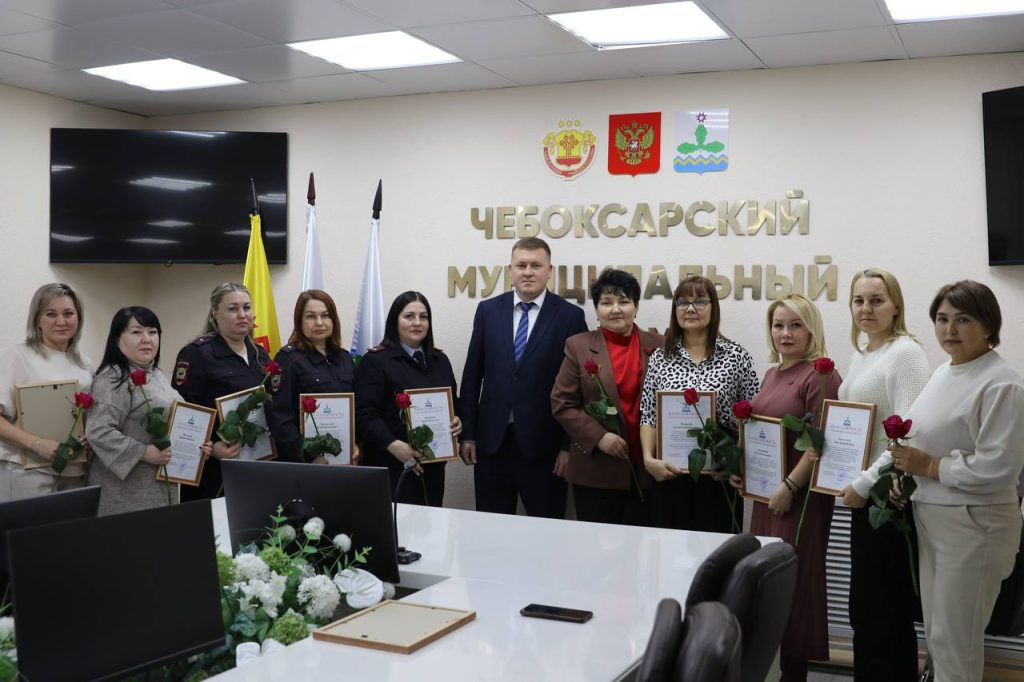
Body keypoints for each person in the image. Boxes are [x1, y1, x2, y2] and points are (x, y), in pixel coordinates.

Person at [891, 280, 1024, 682]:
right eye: (942, 318)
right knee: (939, 637)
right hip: (934, 518)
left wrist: (930, 467)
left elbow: (999, 466)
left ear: (988, 326)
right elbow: (925, 440)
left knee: (956, 644)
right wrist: (905, 475)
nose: (950, 329)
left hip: (975, 526)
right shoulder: (944, 372)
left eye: (963, 319)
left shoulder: (1002, 383)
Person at [739, 293, 841, 681]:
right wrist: (743, 472)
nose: (785, 333)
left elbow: (821, 442)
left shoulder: (821, 375)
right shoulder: (771, 374)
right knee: (768, 583)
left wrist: (789, 486)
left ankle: (794, 674)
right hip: (768, 496)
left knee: (794, 585)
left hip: (799, 498)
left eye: (796, 325)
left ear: (811, 329)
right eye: (778, 325)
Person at [835, 269, 929, 682]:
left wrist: (863, 482)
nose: (866, 309)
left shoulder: (905, 353)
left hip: (888, 498)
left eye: (876, 300)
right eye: (859, 300)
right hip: (865, 497)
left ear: (896, 306)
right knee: (866, 608)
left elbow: (909, 432)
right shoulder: (862, 355)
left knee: (885, 610)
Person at [460, 237, 587, 518]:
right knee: (492, 530)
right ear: (510, 270)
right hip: (492, 445)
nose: (528, 272)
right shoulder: (488, 311)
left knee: (546, 531)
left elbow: (578, 389)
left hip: (545, 449)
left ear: (549, 270)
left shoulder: (570, 316)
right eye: (521, 265)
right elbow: (472, 378)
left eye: (536, 265)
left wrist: (568, 448)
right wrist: (468, 435)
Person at [639, 275, 758, 532]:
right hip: (670, 473)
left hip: (718, 476)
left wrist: (735, 464)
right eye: (683, 302)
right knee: (670, 548)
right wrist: (648, 460)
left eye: (700, 302)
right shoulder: (660, 357)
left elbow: (751, 418)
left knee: (717, 548)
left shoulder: (736, 356)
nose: (690, 309)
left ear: (714, 307)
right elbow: (649, 414)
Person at [551, 269, 664, 525]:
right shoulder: (578, 346)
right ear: (596, 309)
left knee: (645, 544)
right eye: (606, 302)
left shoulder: (660, 346)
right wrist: (599, 436)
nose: (615, 309)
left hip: (648, 470)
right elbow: (562, 402)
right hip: (596, 470)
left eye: (624, 301)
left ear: (636, 306)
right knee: (597, 545)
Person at [86, 307, 211, 515]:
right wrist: (143, 452)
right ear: (117, 338)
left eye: (152, 332)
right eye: (136, 332)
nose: (146, 339)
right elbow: (98, 431)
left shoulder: (155, 373)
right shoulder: (113, 378)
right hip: (125, 497)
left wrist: (195, 446)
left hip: (158, 491)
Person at [354, 291, 462, 506]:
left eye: (423, 317)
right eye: (409, 316)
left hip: (433, 466)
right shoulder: (376, 361)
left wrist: (458, 420)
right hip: (393, 465)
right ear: (395, 320)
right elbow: (364, 415)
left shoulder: (440, 360)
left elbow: (453, 402)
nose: (417, 323)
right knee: (399, 525)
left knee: (431, 523)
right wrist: (394, 446)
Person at [173, 283, 272, 501]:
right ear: (215, 313)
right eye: (233, 308)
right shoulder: (197, 354)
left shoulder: (260, 354)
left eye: (247, 307)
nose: (242, 315)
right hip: (212, 468)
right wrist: (212, 446)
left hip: (256, 462)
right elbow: (184, 413)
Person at [0, 283, 93, 500]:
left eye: (68, 313)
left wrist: (90, 436)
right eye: (51, 314)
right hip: (26, 472)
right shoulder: (18, 357)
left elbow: (87, 417)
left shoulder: (85, 364)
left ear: (78, 318)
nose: (61, 321)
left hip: (74, 471)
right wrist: (37, 444)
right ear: (37, 320)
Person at [269, 290, 357, 464]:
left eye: (325, 315)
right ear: (299, 321)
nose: (319, 322)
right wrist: (308, 455)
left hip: (344, 459)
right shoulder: (288, 359)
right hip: (303, 464)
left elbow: (355, 408)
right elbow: (279, 417)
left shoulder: (345, 358)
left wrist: (354, 443)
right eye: (311, 316)